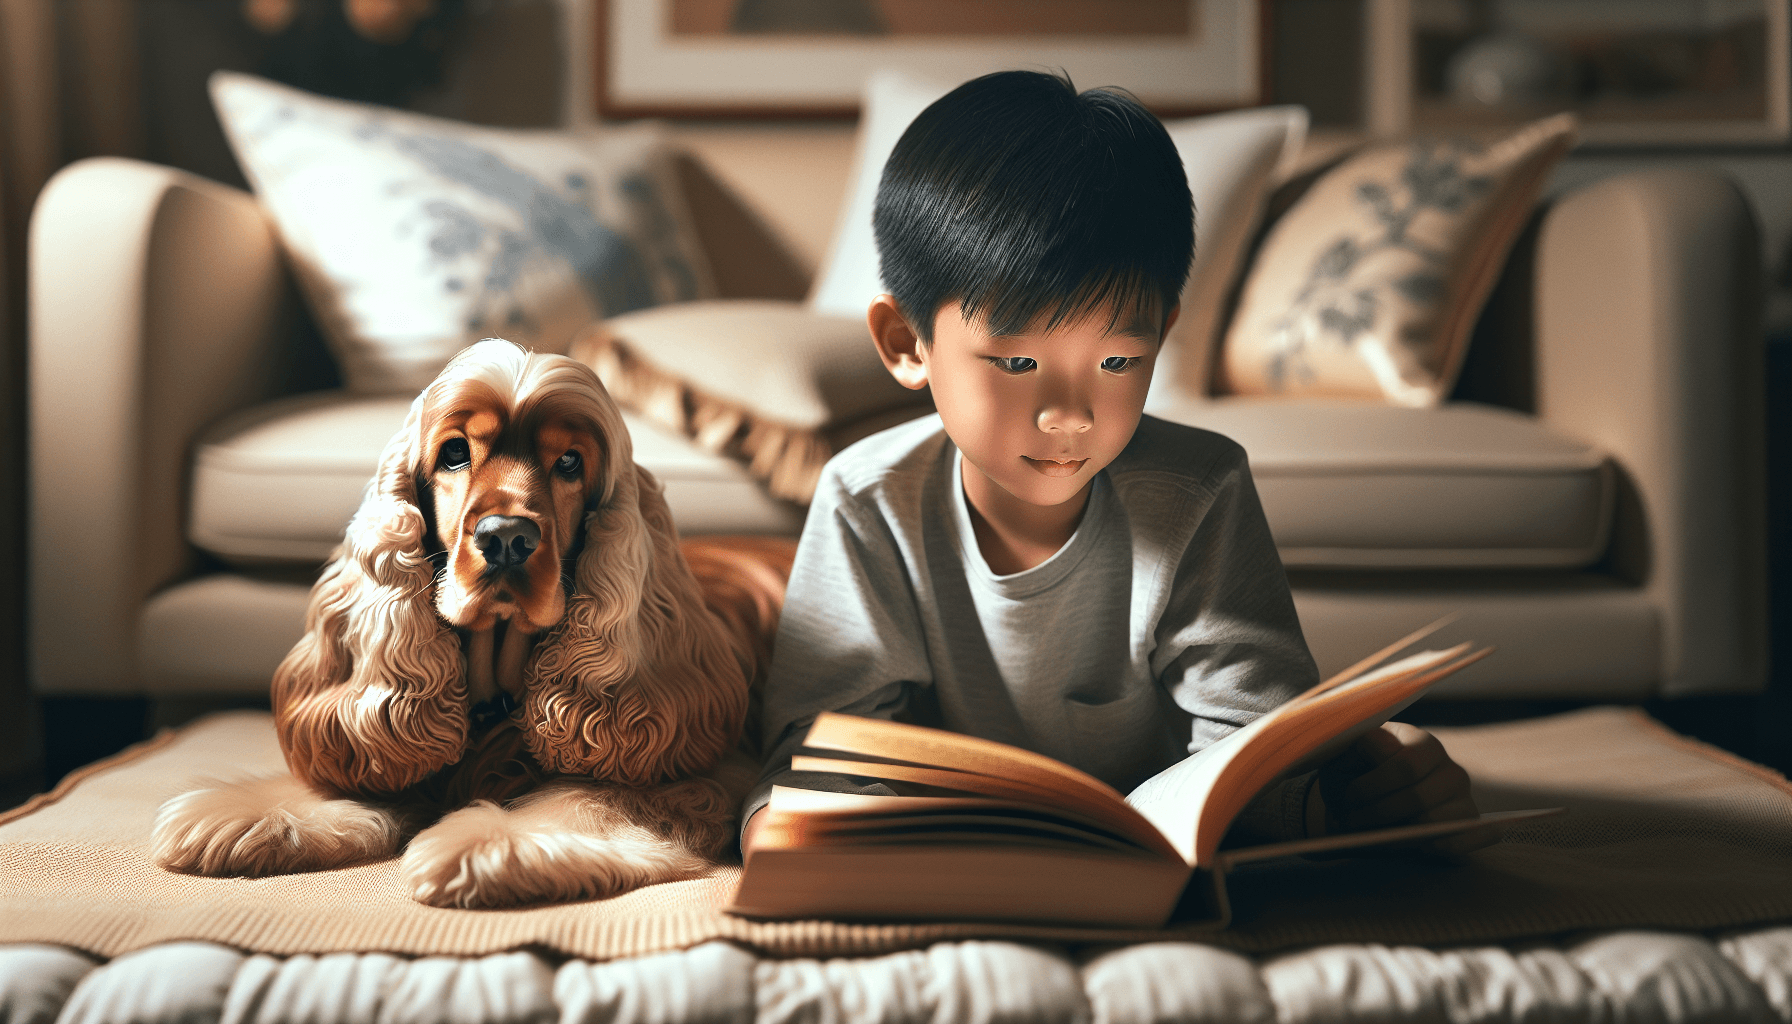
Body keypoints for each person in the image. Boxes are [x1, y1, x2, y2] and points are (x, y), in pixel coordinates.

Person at [741, 70, 1483, 858]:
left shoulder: (1200, 490)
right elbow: (823, 752)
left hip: (1151, 852)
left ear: (1163, 332)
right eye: (1018, 365)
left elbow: (1258, 748)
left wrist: (1368, 790)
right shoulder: (868, 497)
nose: (1071, 415)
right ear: (906, 344)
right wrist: (792, 825)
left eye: (1120, 361)